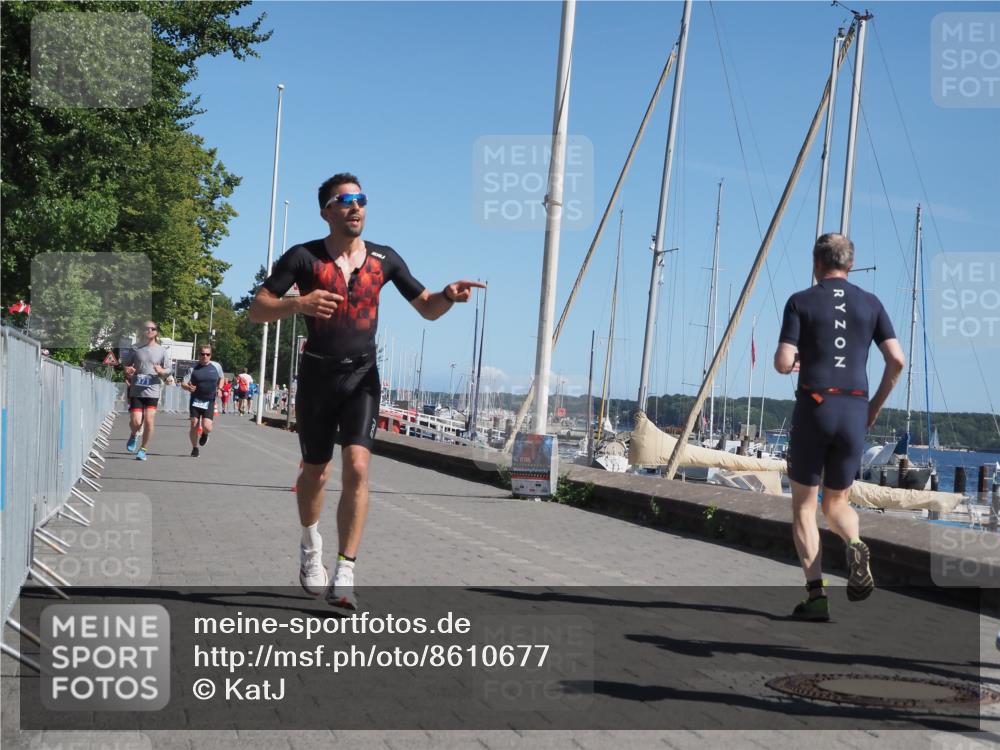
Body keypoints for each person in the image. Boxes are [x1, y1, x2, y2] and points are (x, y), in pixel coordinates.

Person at [248, 172, 484, 609]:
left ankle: (345, 571)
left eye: (361, 199)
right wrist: (297, 303)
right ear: (326, 211)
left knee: (357, 467)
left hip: (363, 378)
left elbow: (427, 308)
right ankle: (309, 546)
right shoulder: (303, 257)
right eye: (344, 200)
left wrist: (448, 296)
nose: (355, 206)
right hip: (318, 377)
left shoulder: (384, 259)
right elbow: (257, 310)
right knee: (315, 473)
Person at [774, 233, 905, 621]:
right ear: (850, 264)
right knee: (838, 503)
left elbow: (783, 362)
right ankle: (853, 541)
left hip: (815, 404)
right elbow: (896, 359)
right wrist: (875, 406)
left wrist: (795, 360)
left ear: (816, 263)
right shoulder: (871, 303)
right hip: (854, 408)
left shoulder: (801, 301)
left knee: (803, 507)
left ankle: (816, 598)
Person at [123, 321, 172, 461]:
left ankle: (143, 449)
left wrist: (162, 371)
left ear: (156, 332)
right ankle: (134, 434)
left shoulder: (162, 350)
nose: (149, 330)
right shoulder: (135, 348)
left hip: (153, 389)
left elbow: (169, 369)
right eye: (146, 328)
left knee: (149, 421)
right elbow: (126, 366)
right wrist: (128, 370)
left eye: (153, 328)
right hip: (137, 390)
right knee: (136, 422)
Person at [182, 345, 223, 457]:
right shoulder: (193, 368)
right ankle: (195, 448)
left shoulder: (216, 366)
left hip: (209, 401)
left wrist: (219, 389)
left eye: (207, 354)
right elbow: (183, 383)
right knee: (194, 423)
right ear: (198, 355)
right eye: (202, 354)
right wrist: (188, 387)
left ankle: (205, 434)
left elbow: (222, 378)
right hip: (195, 400)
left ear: (210, 355)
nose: (205, 356)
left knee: (207, 426)